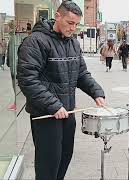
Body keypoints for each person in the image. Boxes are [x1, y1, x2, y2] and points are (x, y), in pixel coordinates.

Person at [17, 1, 105, 180]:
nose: (73, 28)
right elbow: (27, 79)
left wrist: (97, 92)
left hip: (67, 112)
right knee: (48, 165)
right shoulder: (35, 41)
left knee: (64, 158)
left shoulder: (73, 43)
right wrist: (53, 105)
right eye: (69, 23)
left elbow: (81, 74)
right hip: (46, 115)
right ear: (58, 16)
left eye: (76, 24)